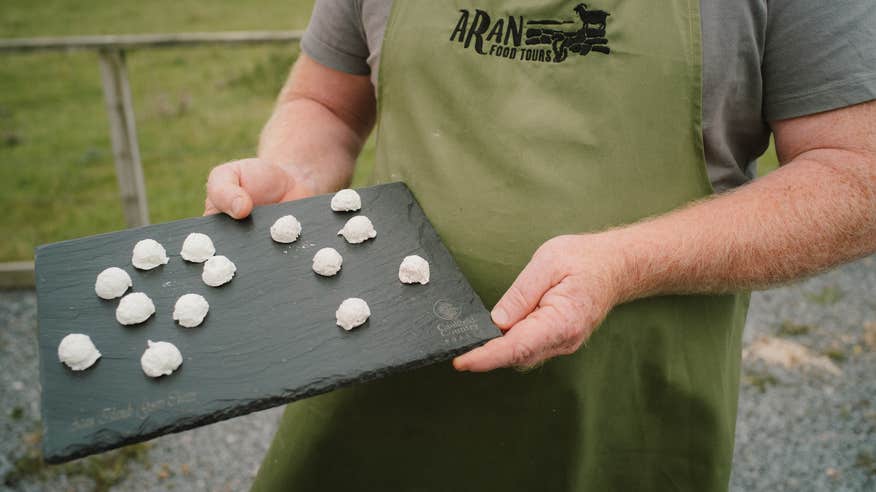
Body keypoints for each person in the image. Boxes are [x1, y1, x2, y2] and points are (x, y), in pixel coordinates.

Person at [204, 1, 876, 490]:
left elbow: (856, 173)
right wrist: (297, 174)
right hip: (370, 400)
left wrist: (622, 263)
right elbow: (324, 104)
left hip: (621, 422)